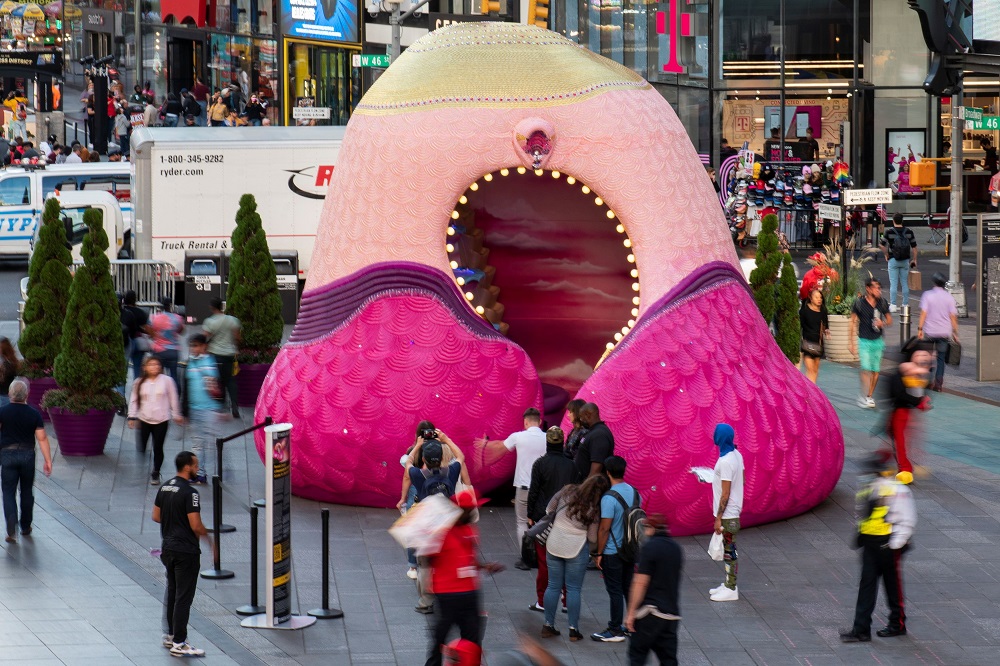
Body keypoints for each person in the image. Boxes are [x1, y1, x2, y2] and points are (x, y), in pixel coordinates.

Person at [839, 451, 916, 643]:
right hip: (871, 545)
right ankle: (861, 630)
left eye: (872, 471)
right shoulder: (867, 488)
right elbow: (861, 514)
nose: (868, 474)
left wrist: (895, 544)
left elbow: (907, 520)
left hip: (888, 544)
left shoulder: (898, 490)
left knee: (893, 586)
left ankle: (897, 624)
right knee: (867, 587)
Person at [424, 489, 503, 666]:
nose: (474, 512)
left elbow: (469, 557)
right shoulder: (439, 532)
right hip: (447, 594)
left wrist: (484, 566)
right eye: (469, 510)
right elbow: (428, 559)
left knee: (473, 641)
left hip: (470, 593)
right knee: (440, 639)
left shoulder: (471, 529)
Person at [152, 451, 213, 657]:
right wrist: (209, 539)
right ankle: (180, 641)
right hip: (186, 551)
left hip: (168, 548)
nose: (197, 469)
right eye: (195, 466)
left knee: (172, 593)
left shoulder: (165, 486)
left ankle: (169, 636)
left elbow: (156, 516)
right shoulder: (190, 493)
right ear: (187, 466)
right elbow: (196, 524)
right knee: (183, 598)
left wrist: (174, 520)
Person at [539, 473, 609, 641]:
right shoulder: (594, 508)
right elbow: (592, 538)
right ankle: (573, 630)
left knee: (553, 586)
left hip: (554, 541)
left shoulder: (567, 490)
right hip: (576, 548)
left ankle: (548, 625)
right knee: (573, 589)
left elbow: (549, 509)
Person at [404, 434, 467, 614]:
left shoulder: (419, 475)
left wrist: (417, 445)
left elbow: (408, 463)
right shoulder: (451, 471)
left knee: (424, 566)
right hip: (448, 524)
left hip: (426, 526)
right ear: (441, 457)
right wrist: (447, 439)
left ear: (423, 458)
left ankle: (425, 601)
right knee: (448, 560)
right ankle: (450, 595)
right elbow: (461, 457)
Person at [483, 407, 546, 567]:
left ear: (525, 422)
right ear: (539, 421)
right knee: (542, 522)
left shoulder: (518, 437)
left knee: (521, 522)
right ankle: (541, 556)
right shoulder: (547, 438)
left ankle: (526, 557)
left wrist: (484, 444)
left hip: (524, 487)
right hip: (542, 488)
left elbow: (499, 447)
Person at [526, 426, 576, 614]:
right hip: (565, 518)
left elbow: (534, 491)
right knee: (565, 559)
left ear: (547, 443)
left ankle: (543, 600)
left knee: (544, 562)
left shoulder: (540, 464)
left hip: (542, 518)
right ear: (562, 442)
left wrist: (530, 514)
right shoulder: (572, 465)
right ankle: (565, 600)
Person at [625, 513, 683, 666]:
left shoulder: (649, 547)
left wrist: (631, 613)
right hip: (671, 615)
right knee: (668, 660)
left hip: (649, 614)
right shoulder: (676, 548)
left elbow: (640, 582)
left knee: (637, 655)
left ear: (651, 528)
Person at [592, 455, 639, 642]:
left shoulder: (609, 498)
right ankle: (631, 624)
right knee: (628, 588)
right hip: (631, 549)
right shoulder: (635, 493)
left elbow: (604, 528)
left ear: (608, 472)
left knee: (614, 591)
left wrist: (598, 553)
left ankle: (614, 629)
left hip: (613, 551)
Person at [0, 379, 53, 543]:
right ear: (27, 395)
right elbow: (42, 438)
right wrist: (48, 460)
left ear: (9, 394)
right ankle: (25, 525)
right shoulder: (34, 413)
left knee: (8, 491)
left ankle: (11, 524)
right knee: (27, 491)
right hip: (27, 454)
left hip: (7, 455)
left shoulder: (2, 412)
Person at [128, 356, 182, 485]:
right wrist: (132, 416)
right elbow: (134, 400)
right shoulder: (139, 382)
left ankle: (156, 471)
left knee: (158, 447)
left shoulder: (167, 381)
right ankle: (142, 463)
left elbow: (173, 398)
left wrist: (176, 414)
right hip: (144, 418)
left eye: (157, 364)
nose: (154, 367)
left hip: (161, 420)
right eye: (151, 364)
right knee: (141, 445)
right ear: (145, 367)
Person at [884, 349, 932, 485]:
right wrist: (919, 402)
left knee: (900, 440)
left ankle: (900, 466)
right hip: (900, 411)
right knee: (899, 440)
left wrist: (921, 401)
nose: (922, 359)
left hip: (906, 411)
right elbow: (899, 393)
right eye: (918, 355)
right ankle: (903, 468)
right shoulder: (899, 375)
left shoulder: (916, 374)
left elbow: (919, 390)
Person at [709, 423, 744, 602]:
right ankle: (728, 584)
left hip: (728, 516)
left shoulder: (726, 461)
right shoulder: (736, 455)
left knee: (729, 551)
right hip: (733, 511)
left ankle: (731, 588)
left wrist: (718, 518)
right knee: (728, 550)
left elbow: (726, 493)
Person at [181, 335, 222, 485]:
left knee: (212, 443)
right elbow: (185, 388)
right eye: (192, 346)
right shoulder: (189, 363)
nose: (193, 349)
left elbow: (220, 385)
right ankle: (200, 474)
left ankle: (220, 474)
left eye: (196, 345)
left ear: (204, 346)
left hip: (210, 409)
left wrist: (221, 408)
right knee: (198, 444)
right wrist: (184, 411)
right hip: (194, 409)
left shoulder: (212, 362)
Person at [850, 278, 892, 409]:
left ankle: (869, 396)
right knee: (866, 368)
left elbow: (890, 320)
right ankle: (863, 395)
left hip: (878, 340)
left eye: (880, 288)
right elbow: (852, 322)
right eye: (876, 288)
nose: (879, 290)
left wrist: (883, 323)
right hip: (864, 340)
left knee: (875, 370)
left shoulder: (882, 302)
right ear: (868, 288)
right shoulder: (859, 303)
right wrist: (851, 342)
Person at [918, 272, 960, 392]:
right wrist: (955, 333)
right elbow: (953, 317)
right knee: (941, 358)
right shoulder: (949, 297)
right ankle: (939, 384)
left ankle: (927, 381)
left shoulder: (927, 295)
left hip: (930, 332)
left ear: (934, 282)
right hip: (944, 333)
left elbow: (923, 313)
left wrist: (920, 329)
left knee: (928, 357)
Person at [202, 297, 241, 418]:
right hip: (230, 354)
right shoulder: (233, 320)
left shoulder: (209, 322)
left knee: (218, 380)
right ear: (222, 307)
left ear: (212, 308)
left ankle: (221, 405)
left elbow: (204, 339)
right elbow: (238, 338)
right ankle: (234, 405)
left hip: (215, 355)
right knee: (230, 380)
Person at [880, 213, 918, 313]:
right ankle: (905, 304)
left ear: (893, 221)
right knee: (904, 283)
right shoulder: (909, 232)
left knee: (893, 283)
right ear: (902, 220)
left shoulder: (889, 232)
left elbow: (882, 245)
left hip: (893, 260)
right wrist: (914, 259)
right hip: (905, 260)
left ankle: (893, 305)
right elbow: (914, 247)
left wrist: (886, 254)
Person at [574, 403, 615, 481]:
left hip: (593, 488)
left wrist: (586, 488)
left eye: (581, 417)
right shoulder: (594, 432)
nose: (581, 420)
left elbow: (596, 467)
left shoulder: (599, 435)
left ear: (587, 415)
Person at [150, 297, 185, 383]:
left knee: (158, 376)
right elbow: (181, 331)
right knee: (174, 376)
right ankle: (176, 394)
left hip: (159, 351)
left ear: (161, 306)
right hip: (173, 351)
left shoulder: (155, 318)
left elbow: (151, 333)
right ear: (170, 306)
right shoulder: (178, 318)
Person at [799, 288, 830, 384]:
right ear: (811, 298)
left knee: (815, 370)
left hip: (818, 344)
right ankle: (810, 392)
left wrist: (826, 331)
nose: (819, 299)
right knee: (810, 370)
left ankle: (813, 390)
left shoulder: (823, 311)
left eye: (820, 297)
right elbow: (800, 326)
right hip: (807, 343)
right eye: (816, 297)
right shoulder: (804, 311)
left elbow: (825, 325)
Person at [0, 338, 20, 407]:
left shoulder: (7, 364)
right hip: (7, 394)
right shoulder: (12, 362)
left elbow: (3, 380)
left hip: (3, 395)